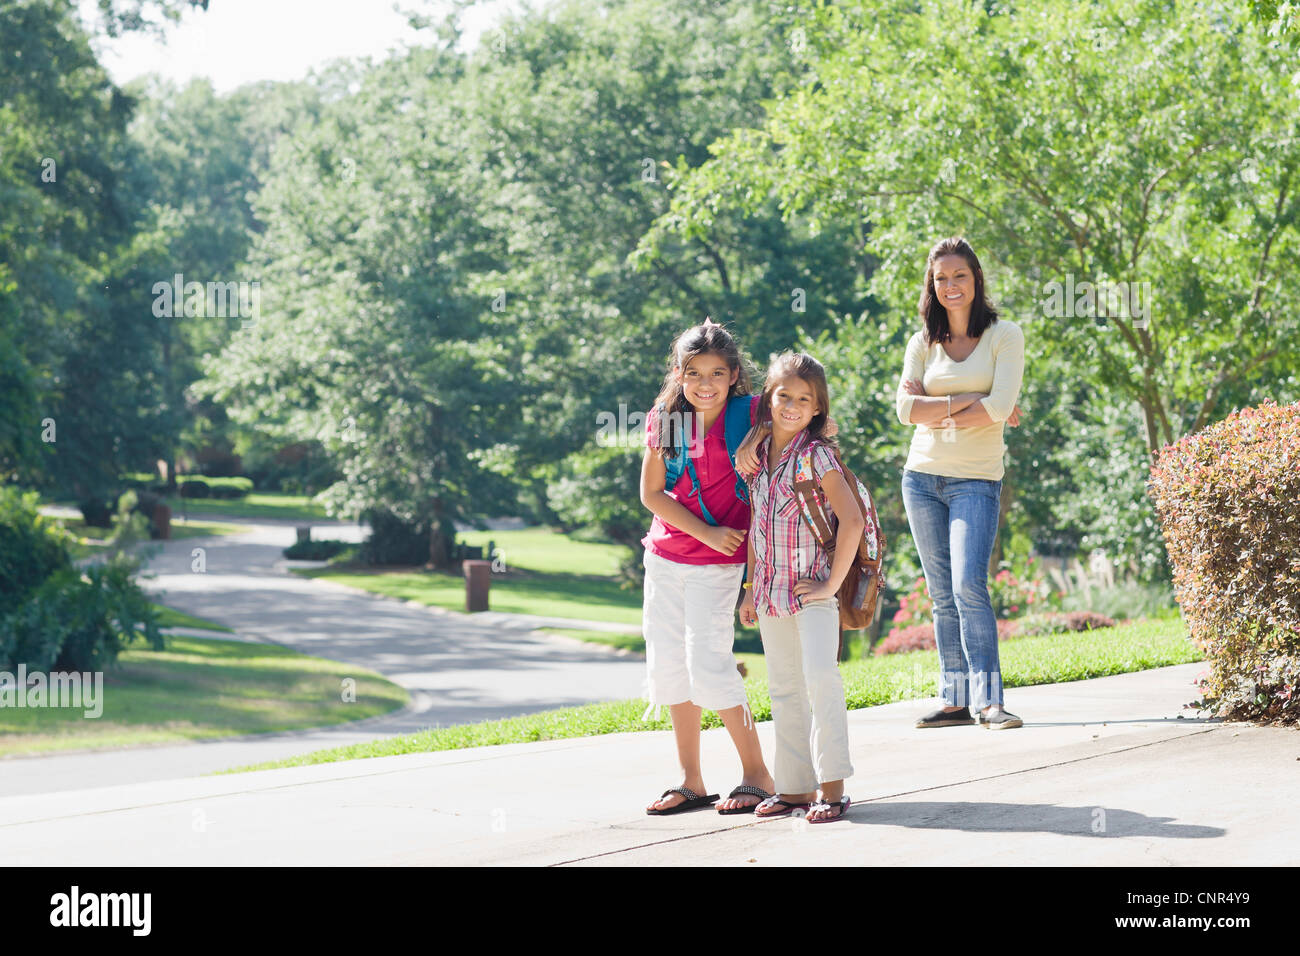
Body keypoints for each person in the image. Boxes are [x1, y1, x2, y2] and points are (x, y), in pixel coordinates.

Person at [639, 319, 776, 815]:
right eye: (693, 372)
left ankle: (757, 775)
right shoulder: (665, 418)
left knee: (710, 665)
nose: (704, 384)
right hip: (666, 558)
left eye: (717, 373)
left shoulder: (750, 413)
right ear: (678, 373)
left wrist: (759, 432)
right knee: (670, 666)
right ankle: (690, 780)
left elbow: (818, 417)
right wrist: (708, 533)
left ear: (735, 375)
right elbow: (651, 493)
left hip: (718, 566)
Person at [895, 236, 1025, 730]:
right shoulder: (922, 342)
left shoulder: (1003, 335)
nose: (951, 285)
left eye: (960, 276)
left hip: (976, 480)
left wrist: (939, 404)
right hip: (922, 478)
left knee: (970, 584)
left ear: (976, 280)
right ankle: (955, 699)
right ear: (932, 284)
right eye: (941, 278)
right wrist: (974, 399)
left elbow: (999, 409)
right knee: (941, 593)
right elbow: (905, 411)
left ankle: (989, 702)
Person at [737, 352, 863, 824]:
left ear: (817, 408)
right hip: (770, 593)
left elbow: (850, 520)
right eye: (783, 395)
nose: (791, 405)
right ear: (768, 400)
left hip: (813, 594)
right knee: (784, 688)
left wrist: (831, 583)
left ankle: (832, 789)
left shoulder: (817, 456)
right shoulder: (756, 460)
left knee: (820, 680)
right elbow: (756, 528)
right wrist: (750, 588)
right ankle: (792, 789)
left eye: (803, 399)